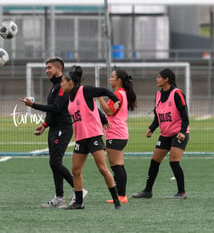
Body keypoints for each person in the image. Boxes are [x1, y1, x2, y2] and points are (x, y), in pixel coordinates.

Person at [20, 57, 84, 208]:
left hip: (63, 128)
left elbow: (55, 107)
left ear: (58, 69)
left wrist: (33, 105)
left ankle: (78, 190)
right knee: (54, 163)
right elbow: (54, 111)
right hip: (55, 128)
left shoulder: (63, 85)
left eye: (49, 67)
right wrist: (44, 125)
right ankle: (59, 197)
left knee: (55, 162)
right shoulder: (55, 85)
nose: (46, 70)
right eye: (46, 68)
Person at [61, 65, 122, 210]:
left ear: (71, 82)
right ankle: (79, 202)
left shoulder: (85, 90)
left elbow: (104, 90)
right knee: (76, 170)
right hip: (80, 138)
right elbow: (90, 109)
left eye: (63, 81)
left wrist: (114, 99)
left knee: (102, 168)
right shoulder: (68, 98)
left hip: (93, 136)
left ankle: (116, 200)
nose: (61, 83)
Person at [132, 68, 189, 199]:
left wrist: (182, 131)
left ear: (166, 79)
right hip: (165, 134)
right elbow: (158, 116)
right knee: (155, 161)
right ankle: (147, 191)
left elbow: (185, 115)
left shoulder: (177, 93)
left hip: (178, 133)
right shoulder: (158, 95)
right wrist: (151, 128)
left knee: (174, 161)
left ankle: (182, 192)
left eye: (159, 77)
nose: (156, 79)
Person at [98, 68, 137, 204]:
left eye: (112, 77)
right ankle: (122, 195)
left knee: (116, 166)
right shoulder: (122, 93)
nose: (110, 79)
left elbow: (109, 111)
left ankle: (121, 196)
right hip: (119, 133)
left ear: (119, 80)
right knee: (119, 165)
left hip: (115, 134)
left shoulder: (119, 94)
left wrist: (99, 98)